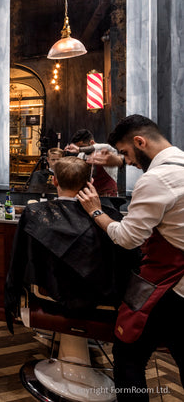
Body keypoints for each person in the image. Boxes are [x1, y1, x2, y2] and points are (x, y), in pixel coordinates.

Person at [76, 115, 184, 400]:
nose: (129, 162)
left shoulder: (156, 179)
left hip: (170, 285)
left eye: (126, 153)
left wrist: (96, 211)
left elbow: (126, 238)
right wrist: (116, 160)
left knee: (127, 356)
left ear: (140, 141)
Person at [5, 157, 138, 332]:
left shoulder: (34, 213)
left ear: (54, 180)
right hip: (100, 298)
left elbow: (18, 261)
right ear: (90, 182)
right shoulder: (111, 218)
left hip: (48, 295)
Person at [65, 128, 123, 197]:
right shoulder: (81, 155)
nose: (80, 150)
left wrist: (79, 149)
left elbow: (97, 147)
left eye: (82, 146)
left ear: (92, 142)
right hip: (90, 194)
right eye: (78, 147)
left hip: (108, 194)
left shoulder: (106, 149)